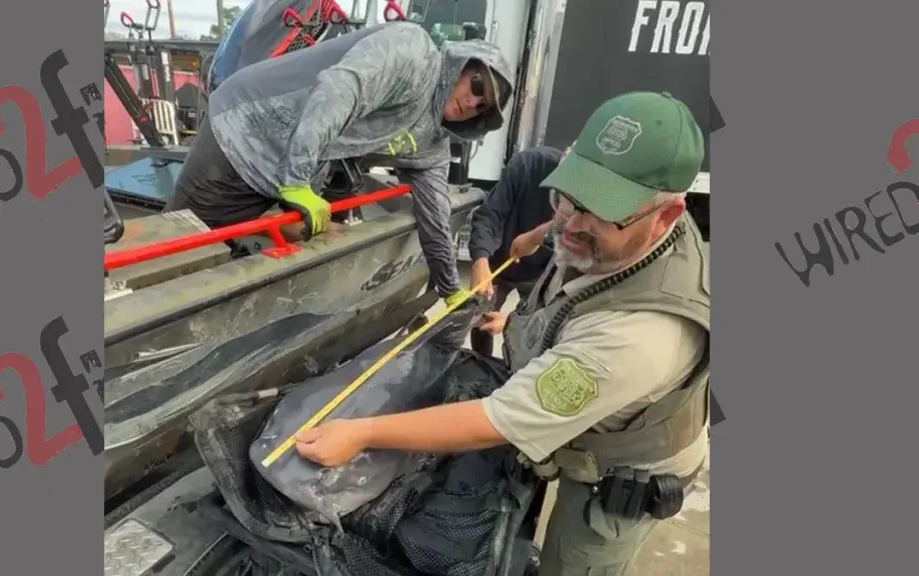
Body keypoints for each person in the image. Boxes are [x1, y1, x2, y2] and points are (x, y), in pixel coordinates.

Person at [293, 91, 710, 576]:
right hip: (591, 408)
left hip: (622, 473)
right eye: (568, 197)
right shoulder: (608, 233)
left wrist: (362, 432)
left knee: (574, 563)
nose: (572, 223)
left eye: (598, 210)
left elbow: (496, 421)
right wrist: (522, 305)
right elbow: (575, 283)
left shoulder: (639, 338)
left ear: (666, 216)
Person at [164, 20, 514, 308]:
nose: (474, 101)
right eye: (478, 83)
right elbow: (339, 89)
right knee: (179, 251)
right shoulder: (413, 51)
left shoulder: (432, 143)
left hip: (283, 173)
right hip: (244, 130)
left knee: (229, 253)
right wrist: (297, 180)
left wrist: (450, 289)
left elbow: (436, 216)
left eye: (485, 107)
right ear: (462, 64)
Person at [466, 146, 561, 356]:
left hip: (541, 275)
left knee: (529, 337)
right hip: (498, 263)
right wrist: (480, 259)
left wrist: (513, 322)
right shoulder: (528, 164)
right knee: (481, 319)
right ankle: (482, 362)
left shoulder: (586, 210)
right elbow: (489, 215)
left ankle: (515, 370)